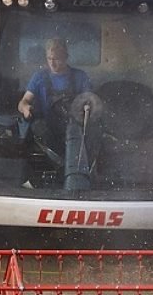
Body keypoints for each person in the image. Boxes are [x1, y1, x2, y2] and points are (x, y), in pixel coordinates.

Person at [16, 38, 100, 190]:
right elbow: (23, 102)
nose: (52, 63)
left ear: (66, 57)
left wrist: (88, 107)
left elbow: (90, 100)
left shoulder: (80, 77)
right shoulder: (39, 77)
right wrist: (26, 108)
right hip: (48, 131)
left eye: (57, 59)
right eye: (49, 59)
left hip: (76, 129)